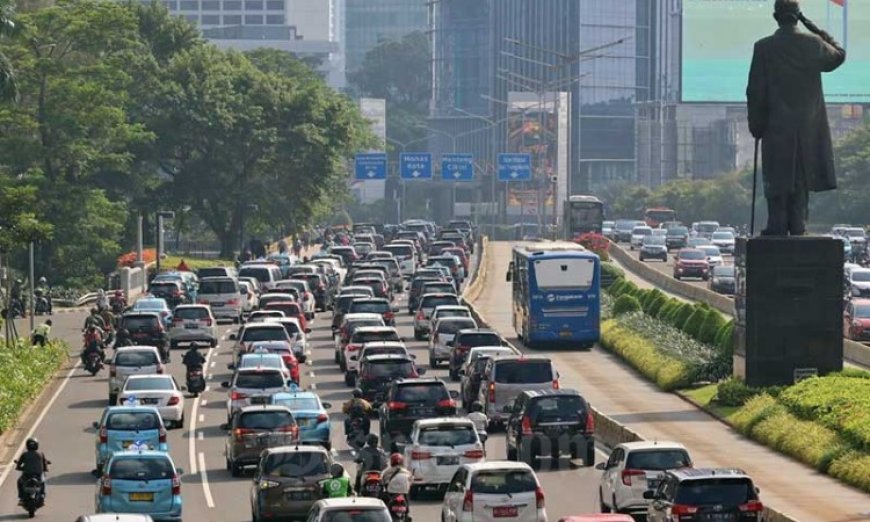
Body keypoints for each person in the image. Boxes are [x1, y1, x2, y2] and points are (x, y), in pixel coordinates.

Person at [746, 0, 846, 236]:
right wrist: (811, 25)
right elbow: (839, 55)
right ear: (796, 16)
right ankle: (798, 222)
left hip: (775, 124)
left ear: (775, 16)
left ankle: (777, 223)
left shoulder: (764, 47)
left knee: (776, 172)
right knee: (801, 173)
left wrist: (756, 124)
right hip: (808, 125)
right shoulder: (813, 44)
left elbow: (755, 90)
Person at [16, 438, 49, 504]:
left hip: (27, 474)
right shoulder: (41, 454)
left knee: (19, 482)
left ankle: (21, 496)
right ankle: (42, 495)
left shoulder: (24, 454)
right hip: (38, 474)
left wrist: (20, 468)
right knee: (43, 482)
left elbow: (18, 465)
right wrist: (45, 469)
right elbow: (45, 464)